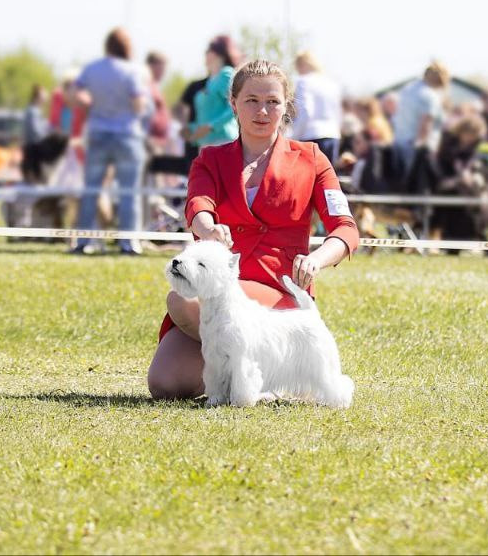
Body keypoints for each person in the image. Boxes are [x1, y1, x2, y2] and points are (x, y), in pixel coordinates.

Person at [147, 59, 360, 399]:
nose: (262, 111)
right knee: (166, 384)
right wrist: (208, 228)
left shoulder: (312, 158)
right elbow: (198, 204)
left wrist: (317, 259)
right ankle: (267, 369)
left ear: (286, 106)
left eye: (273, 102)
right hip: (219, 288)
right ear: (234, 104)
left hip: (277, 287)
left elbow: (345, 228)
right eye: (252, 100)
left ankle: (260, 368)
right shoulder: (210, 159)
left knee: (183, 302)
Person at [72, 28, 147, 255]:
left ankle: (83, 241)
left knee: (91, 189)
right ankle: (128, 243)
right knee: (129, 192)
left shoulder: (92, 68)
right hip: (127, 136)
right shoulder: (132, 71)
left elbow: (76, 94)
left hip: (98, 133)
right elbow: (139, 105)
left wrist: (92, 104)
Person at [392, 62, 449, 186]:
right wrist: (420, 151)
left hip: (400, 143)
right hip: (419, 151)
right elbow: (425, 125)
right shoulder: (429, 96)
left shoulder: (407, 89)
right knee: (419, 187)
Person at [189, 35, 240, 148]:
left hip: (223, 142)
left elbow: (235, 106)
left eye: (208, 51)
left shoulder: (225, 74)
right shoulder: (211, 80)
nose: (205, 54)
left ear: (216, 53)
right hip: (206, 144)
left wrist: (211, 126)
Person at [292, 51, 344, 163]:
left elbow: (306, 112)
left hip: (310, 136)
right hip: (332, 135)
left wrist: (294, 137)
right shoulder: (331, 83)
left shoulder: (303, 81)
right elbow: (338, 114)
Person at [144, 51, 172, 155]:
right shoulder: (145, 86)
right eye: (161, 68)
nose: (163, 72)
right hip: (150, 141)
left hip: (159, 141)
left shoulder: (155, 86)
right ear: (151, 66)